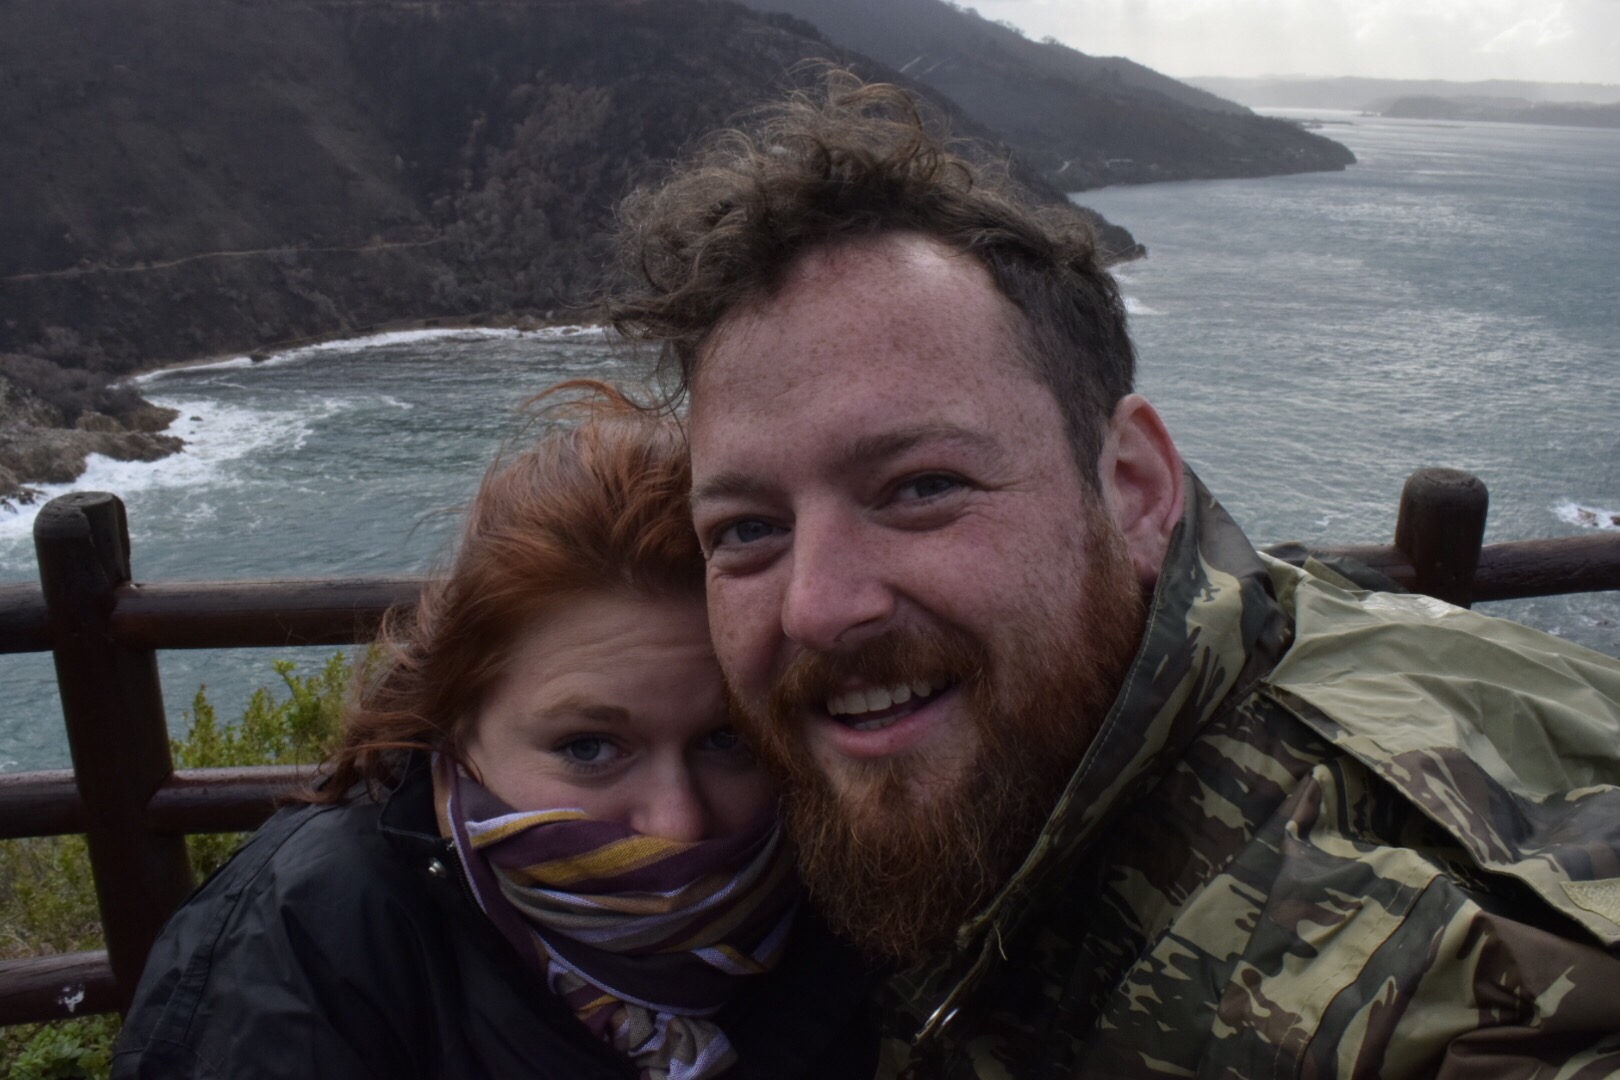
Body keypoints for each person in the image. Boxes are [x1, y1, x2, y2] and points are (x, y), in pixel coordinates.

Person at [606, 74, 1620, 1077]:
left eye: (922, 487)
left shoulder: (1386, 946)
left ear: (1134, 488)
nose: (819, 607)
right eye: (747, 529)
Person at [111, 382, 877, 1080]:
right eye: (588, 748)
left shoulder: (852, 887)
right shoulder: (305, 950)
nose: (677, 824)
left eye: (727, 740)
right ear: (454, 722)